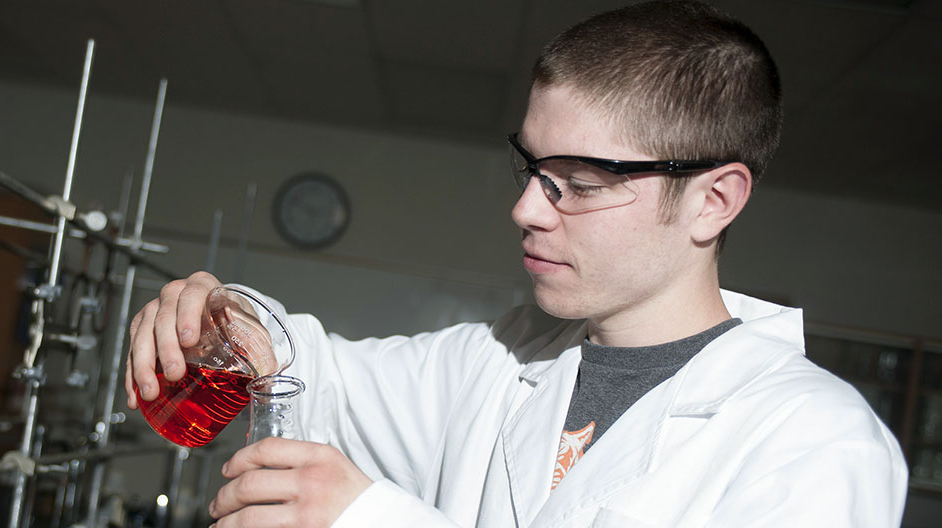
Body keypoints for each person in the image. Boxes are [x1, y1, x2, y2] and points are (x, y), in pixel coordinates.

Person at [125, 1, 909, 526]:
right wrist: (226, 319)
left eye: (580, 183)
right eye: (531, 169)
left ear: (713, 201)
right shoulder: (498, 363)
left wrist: (370, 519)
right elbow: (316, 373)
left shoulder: (816, 440)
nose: (528, 209)